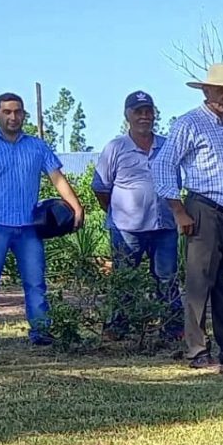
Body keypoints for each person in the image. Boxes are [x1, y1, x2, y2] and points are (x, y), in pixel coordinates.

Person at [0, 92, 85, 349]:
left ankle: (41, 331)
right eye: (7, 112)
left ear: (24, 114)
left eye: (18, 111)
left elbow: (57, 178)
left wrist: (77, 207)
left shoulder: (37, 146)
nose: (13, 116)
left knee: (35, 282)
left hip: (29, 227)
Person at [153, 63, 223, 372]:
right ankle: (197, 350)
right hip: (203, 210)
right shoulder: (189, 123)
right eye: (221, 89)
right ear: (206, 90)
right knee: (199, 282)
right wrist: (178, 209)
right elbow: (163, 165)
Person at [92, 91, 181, 342]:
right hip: (126, 228)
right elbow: (101, 188)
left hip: (164, 225)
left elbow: (178, 183)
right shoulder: (116, 147)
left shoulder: (167, 146)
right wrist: (119, 211)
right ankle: (119, 327)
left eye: (148, 111)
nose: (144, 116)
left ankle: (173, 328)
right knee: (124, 279)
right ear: (127, 115)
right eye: (138, 111)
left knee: (167, 278)